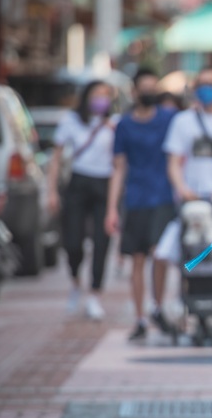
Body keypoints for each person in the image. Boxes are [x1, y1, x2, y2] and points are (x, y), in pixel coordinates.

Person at [105, 68, 177, 342]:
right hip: (134, 199)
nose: (149, 92)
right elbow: (119, 168)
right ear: (134, 92)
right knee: (136, 259)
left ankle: (158, 306)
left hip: (163, 197)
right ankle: (139, 318)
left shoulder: (169, 119)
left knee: (159, 255)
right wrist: (112, 208)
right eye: (144, 87)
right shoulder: (124, 125)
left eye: (153, 87)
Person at [46, 80, 117, 321]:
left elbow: (121, 161)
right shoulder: (71, 121)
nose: (101, 99)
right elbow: (55, 158)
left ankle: (95, 294)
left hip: (104, 184)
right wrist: (51, 191)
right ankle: (76, 281)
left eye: (106, 95)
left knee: (101, 241)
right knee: (72, 242)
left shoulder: (114, 124)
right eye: (97, 94)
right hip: (77, 183)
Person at [162, 66, 212, 258]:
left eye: (211, 84)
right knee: (188, 254)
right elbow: (173, 162)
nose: (206, 89)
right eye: (202, 85)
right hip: (191, 200)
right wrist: (182, 189)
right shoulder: (182, 121)